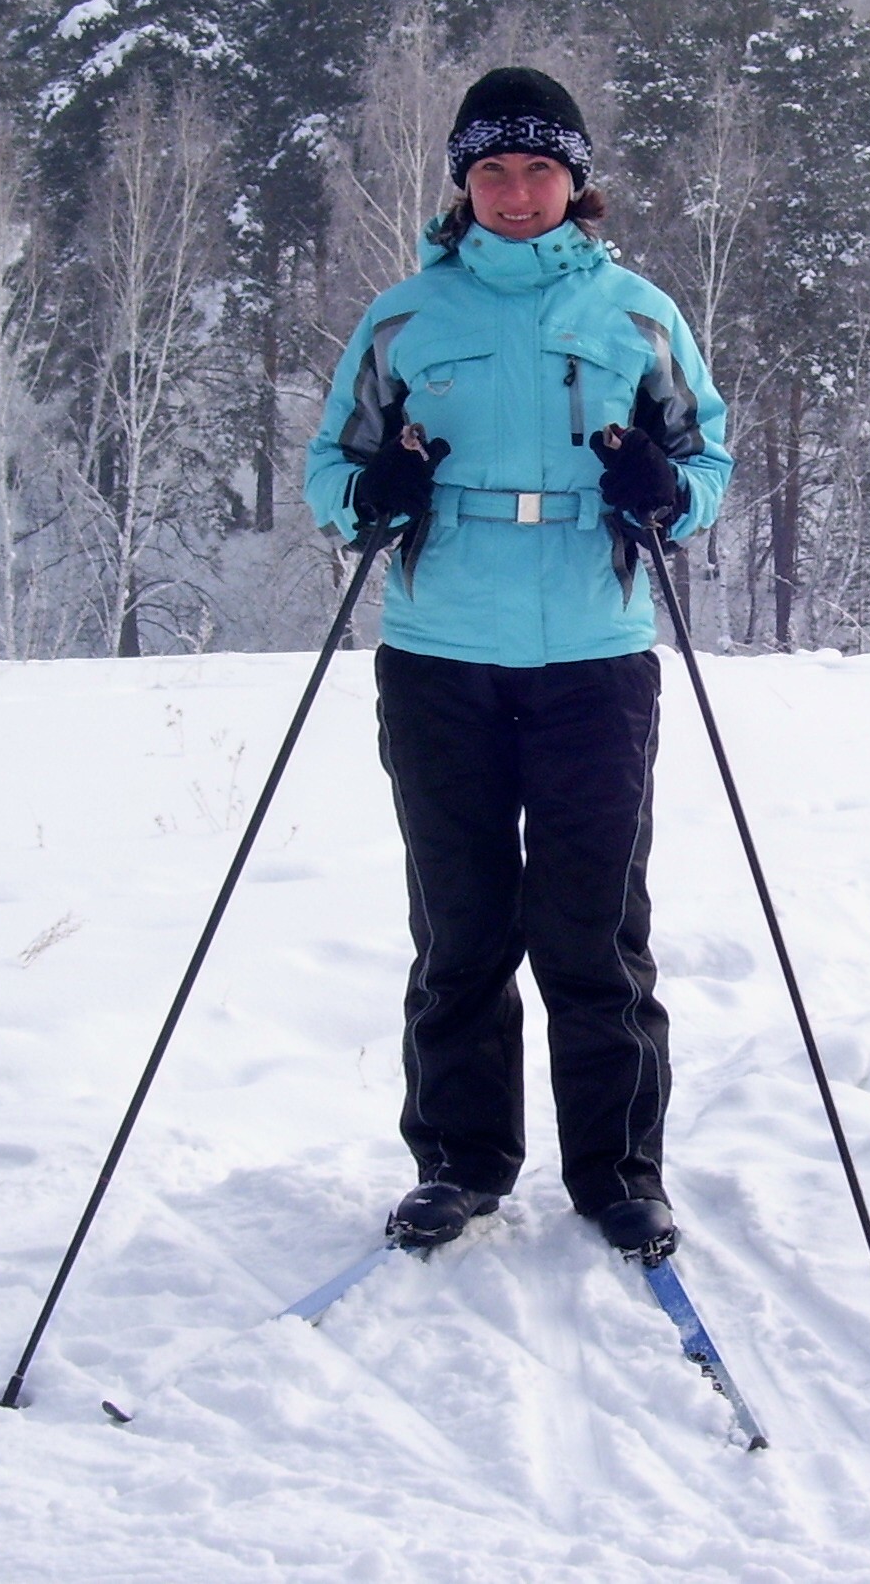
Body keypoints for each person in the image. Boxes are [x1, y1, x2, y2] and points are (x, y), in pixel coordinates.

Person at [303, 67, 732, 1261]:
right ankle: (458, 1164)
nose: (514, 189)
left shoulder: (636, 314)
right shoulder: (404, 320)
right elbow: (327, 473)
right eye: (490, 169)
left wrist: (666, 489)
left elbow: (706, 464)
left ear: (575, 181)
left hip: (594, 658)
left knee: (594, 931)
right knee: (460, 926)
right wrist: (370, 491)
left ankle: (619, 1175)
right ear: (461, 183)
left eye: (538, 168)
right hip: (441, 655)